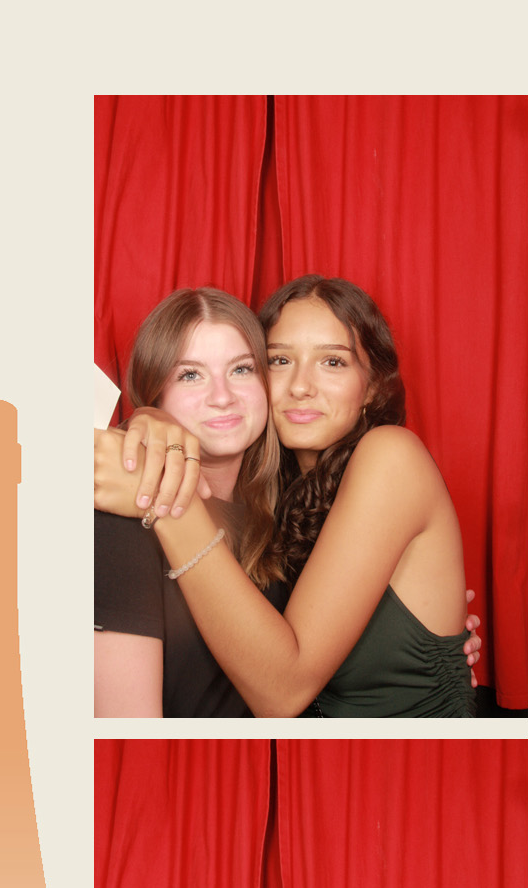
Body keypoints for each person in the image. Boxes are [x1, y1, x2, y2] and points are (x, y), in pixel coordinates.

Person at [95, 276, 477, 717]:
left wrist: (166, 500)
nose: (300, 387)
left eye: (332, 362)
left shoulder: (391, 456)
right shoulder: (275, 497)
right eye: (279, 360)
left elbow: (284, 691)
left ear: (372, 386)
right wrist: (151, 420)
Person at [94, 289, 285, 718]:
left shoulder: (286, 508)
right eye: (190, 375)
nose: (222, 396)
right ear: (155, 395)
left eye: (241, 369)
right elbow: (129, 728)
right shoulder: (122, 521)